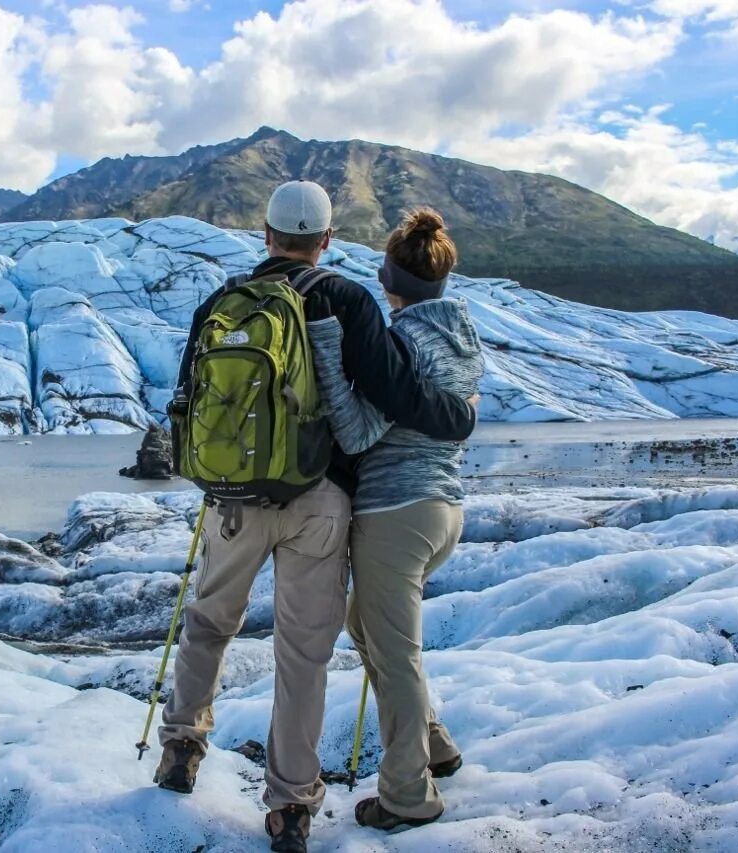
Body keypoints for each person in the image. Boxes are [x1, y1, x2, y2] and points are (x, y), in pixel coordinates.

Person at [154, 182, 478, 853]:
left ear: (265, 234)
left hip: (235, 499)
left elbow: (185, 400)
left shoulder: (223, 302)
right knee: (302, 654)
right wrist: (459, 416)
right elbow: (396, 391)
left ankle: (182, 743)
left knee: (210, 620)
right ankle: (291, 809)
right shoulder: (347, 297)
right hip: (321, 501)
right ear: (327, 241)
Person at [307, 208, 484, 832]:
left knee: (397, 656)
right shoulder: (463, 333)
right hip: (442, 512)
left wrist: (329, 351)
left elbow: (356, 434)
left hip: (394, 514)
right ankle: (432, 742)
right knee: (367, 624)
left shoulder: (403, 343)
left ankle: (409, 794)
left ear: (387, 277)